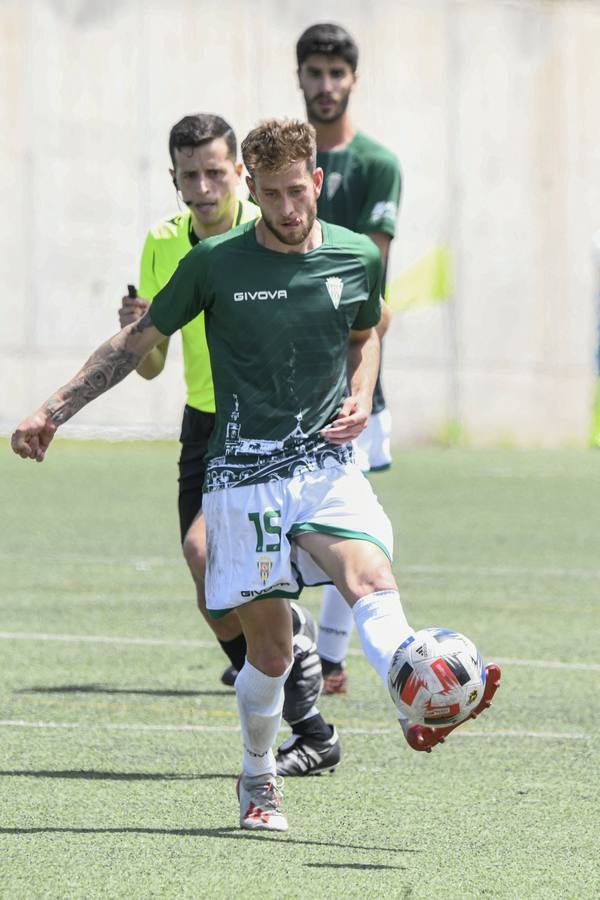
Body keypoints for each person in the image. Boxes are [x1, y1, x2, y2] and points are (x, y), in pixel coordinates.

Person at [12, 119, 492, 833]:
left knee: (372, 582)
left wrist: (362, 390)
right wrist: (54, 409)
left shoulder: (357, 256)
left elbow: (367, 333)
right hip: (243, 476)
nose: (288, 210)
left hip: (326, 463)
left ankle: (416, 690)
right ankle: (259, 775)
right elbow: (137, 342)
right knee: (267, 652)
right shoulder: (217, 263)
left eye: (297, 192)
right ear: (252, 188)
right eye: (271, 196)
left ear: (317, 183)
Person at [118, 112, 340, 777]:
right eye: (191, 175)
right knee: (210, 590)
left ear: (240, 173)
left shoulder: (268, 232)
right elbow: (152, 363)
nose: (204, 187)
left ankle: (294, 712)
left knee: (207, 553)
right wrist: (136, 333)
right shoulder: (164, 244)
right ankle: (308, 718)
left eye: (216, 172)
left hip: (270, 426)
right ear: (175, 179)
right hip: (205, 426)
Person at [296, 22, 402, 695]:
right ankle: (294, 644)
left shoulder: (376, 164)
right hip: (284, 380)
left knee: (351, 510)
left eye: (337, 73)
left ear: (353, 79)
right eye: (315, 72)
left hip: (352, 369)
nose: (326, 85)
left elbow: (364, 275)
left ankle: (331, 655)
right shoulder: (280, 158)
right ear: (300, 77)